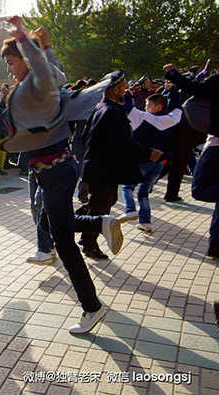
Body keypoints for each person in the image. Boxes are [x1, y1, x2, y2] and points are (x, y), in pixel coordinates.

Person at [1, 17, 124, 334]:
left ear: (25, 61)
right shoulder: (46, 84)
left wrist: (27, 42)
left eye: (12, 62)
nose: (9, 70)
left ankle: (91, 308)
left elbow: (43, 69)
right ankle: (101, 222)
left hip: (54, 173)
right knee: (45, 222)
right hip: (58, 169)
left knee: (65, 244)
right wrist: (46, 45)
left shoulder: (37, 83)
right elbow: (54, 69)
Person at [81, 72, 164, 258]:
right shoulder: (110, 111)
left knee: (104, 202)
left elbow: (85, 136)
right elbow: (120, 141)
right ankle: (88, 242)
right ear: (115, 89)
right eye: (124, 86)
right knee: (100, 207)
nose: (126, 89)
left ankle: (75, 227)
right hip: (102, 168)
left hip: (100, 167)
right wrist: (146, 152)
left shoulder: (102, 107)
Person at [163, 63, 219, 259]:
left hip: (217, 145)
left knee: (199, 189)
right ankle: (216, 245)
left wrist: (173, 73)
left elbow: (196, 88)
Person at [120, 86, 182, 232]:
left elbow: (128, 108)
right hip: (159, 163)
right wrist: (173, 90)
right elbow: (177, 107)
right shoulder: (171, 119)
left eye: (149, 105)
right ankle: (145, 222)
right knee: (144, 193)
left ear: (158, 107)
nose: (146, 107)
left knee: (127, 186)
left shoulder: (142, 118)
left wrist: (128, 95)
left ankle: (130, 210)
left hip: (143, 160)